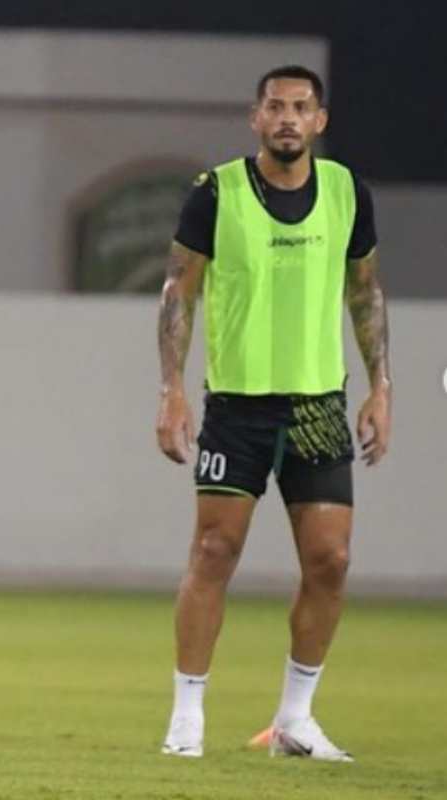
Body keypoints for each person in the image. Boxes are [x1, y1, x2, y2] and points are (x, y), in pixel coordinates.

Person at [155, 65, 391, 762]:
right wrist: (170, 388)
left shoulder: (347, 192)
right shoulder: (216, 193)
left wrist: (382, 386)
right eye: (275, 107)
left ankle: (294, 720)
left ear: (319, 121)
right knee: (212, 551)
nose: (287, 118)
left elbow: (365, 293)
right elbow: (178, 289)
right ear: (254, 118)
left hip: (319, 404)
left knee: (330, 560)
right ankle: (186, 720)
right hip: (236, 406)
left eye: (300, 107)